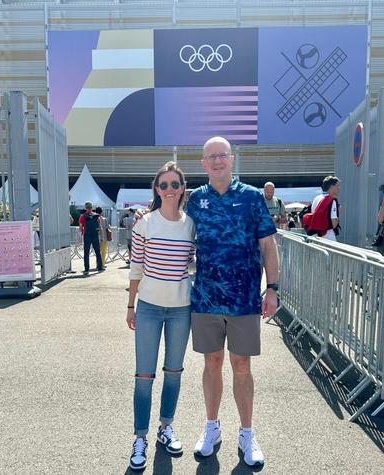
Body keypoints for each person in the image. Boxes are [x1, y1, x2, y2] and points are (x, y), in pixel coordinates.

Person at [186, 137, 278, 467]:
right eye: (211, 156)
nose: (217, 161)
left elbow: (268, 246)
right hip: (206, 298)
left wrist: (273, 288)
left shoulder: (253, 198)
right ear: (203, 163)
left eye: (222, 155)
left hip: (243, 300)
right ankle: (212, 427)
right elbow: (173, 228)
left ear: (232, 159)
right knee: (211, 363)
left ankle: (247, 433)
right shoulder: (195, 200)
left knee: (241, 365)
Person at [126, 162, 195, 470]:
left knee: (174, 372)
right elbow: (136, 267)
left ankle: (165, 426)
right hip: (149, 308)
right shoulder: (145, 223)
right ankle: (139, 437)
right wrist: (131, 306)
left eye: (175, 185)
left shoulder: (191, 225)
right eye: (164, 185)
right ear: (156, 189)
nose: (169, 190)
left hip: (181, 308)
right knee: (144, 376)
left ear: (183, 189)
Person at [310, 176, 340, 241]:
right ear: (331, 187)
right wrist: (338, 213)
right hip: (328, 237)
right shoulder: (332, 200)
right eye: (337, 186)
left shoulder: (316, 198)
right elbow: (334, 224)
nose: (339, 188)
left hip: (316, 236)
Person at [78, 201, 103, 274]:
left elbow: (80, 227)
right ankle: (100, 267)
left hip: (87, 236)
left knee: (86, 253)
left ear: (85, 207)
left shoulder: (82, 216)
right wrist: (101, 237)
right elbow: (100, 227)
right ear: (92, 207)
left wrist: (80, 236)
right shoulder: (96, 216)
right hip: (95, 235)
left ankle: (86, 268)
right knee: (98, 252)